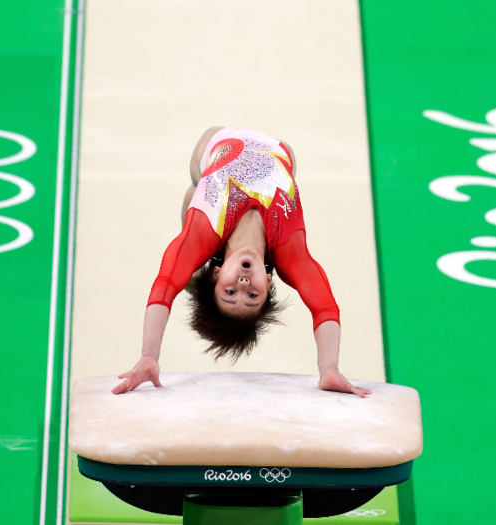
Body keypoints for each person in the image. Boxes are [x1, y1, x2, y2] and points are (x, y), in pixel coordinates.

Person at [112, 127, 371, 398]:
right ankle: (192, 265)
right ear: (269, 281)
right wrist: (329, 369)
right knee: (286, 155)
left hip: (218, 144)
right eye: (252, 295)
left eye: (230, 292)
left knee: (192, 203)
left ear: (217, 274)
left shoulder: (205, 229)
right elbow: (324, 307)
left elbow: (164, 285)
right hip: (278, 151)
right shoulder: (288, 250)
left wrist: (149, 355)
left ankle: (192, 268)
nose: (243, 282)